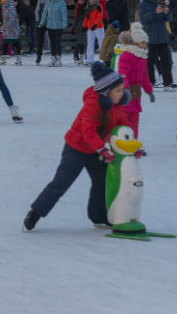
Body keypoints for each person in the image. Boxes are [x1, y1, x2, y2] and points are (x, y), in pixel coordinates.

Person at [22, 61, 134, 232]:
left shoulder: (116, 106)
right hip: (77, 148)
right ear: (106, 91)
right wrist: (102, 149)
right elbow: (87, 130)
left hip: (96, 150)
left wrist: (133, 146)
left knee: (102, 181)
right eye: (118, 90)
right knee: (62, 182)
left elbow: (124, 127)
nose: (121, 93)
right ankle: (35, 213)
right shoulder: (92, 104)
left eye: (122, 90)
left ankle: (99, 216)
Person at [116, 24, 154, 137]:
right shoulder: (127, 56)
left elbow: (145, 76)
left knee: (134, 121)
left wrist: (149, 91)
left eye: (146, 43)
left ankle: (133, 142)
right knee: (124, 119)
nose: (145, 45)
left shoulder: (142, 57)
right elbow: (122, 74)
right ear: (135, 43)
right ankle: (119, 142)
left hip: (136, 94)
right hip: (125, 93)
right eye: (143, 43)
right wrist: (126, 89)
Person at [140, 0, 176, 90]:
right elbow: (144, 19)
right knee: (149, 61)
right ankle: (150, 82)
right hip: (149, 37)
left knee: (167, 60)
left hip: (162, 37)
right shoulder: (142, 5)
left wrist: (167, 12)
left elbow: (170, 18)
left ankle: (168, 83)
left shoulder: (160, 3)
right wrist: (155, 12)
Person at [37, 0, 67, 66]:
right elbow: (44, 13)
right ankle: (53, 58)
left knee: (57, 42)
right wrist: (42, 23)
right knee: (52, 42)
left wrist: (64, 23)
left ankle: (59, 59)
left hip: (58, 26)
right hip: (50, 25)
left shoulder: (61, 2)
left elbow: (64, 14)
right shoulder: (48, 2)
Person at [82, 0, 105, 65]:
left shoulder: (99, 6)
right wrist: (84, 26)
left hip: (98, 28)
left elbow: (100, 16)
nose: (92, 0)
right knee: (90, 44)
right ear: (88, 0)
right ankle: (89, 60)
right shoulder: (88, 7)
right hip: (90, 28)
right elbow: (86, 18)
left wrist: (95, 24)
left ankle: (104, 60)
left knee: (101, 43)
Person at [0, 0, 21, 64]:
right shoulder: (4, 7)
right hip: (7, 29)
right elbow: (5, 18)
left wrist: (4, 26)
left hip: (13, 29)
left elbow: (12, 19)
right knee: (5, 42)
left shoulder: (11, 7)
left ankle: (18, 58)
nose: (2, 0)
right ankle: (4, 59)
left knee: (15, 42)